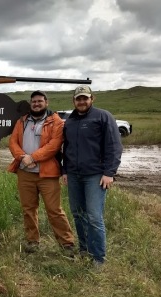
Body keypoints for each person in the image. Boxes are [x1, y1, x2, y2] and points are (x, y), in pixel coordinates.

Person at [62, 85, 123, 267]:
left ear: (92, 99)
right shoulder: (70, 121)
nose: (81, 102)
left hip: (95, 176)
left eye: (85, 98)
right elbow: (67, 148)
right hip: (73, 175)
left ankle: (98, 257)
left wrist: (109, 173)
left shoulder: (103, 116)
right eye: (78, 99)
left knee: (94, 216)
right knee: (78, 214)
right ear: (73, 101)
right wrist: (64, 170)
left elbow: (114, 146)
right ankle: (84, 249)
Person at [8, 90, 75, 255]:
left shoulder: (57, 122)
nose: (36, 104)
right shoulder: (22, 121)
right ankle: (32, 242)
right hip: (25, 173)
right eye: (34, 102)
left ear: (47, 102)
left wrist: (33, 158)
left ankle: (67, 244)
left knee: (54, 210)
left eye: (40, 101)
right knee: (28, 209)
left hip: (48, 174)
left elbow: (54, 145)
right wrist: (23, 157)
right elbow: (13, 142)